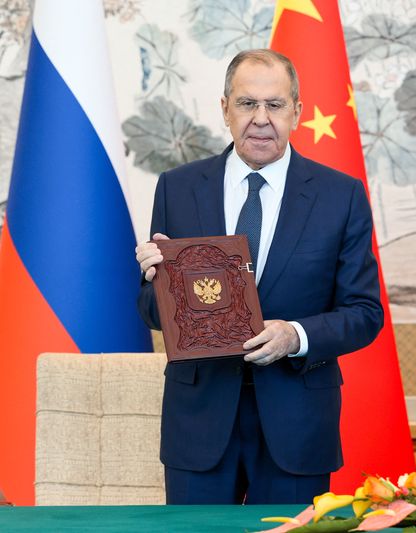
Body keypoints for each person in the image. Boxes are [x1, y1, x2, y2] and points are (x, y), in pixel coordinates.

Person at [135, 49, 383, 504]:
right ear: (225, 109)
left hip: (298, 423)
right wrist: (158, 286)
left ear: (297, 112)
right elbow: (152, 313)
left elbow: (365, 313)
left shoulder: (340, 196)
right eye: (248, 104)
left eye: (275, 104)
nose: (261, 119)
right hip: (200, 421)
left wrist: (296, 335)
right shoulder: (178, 187)